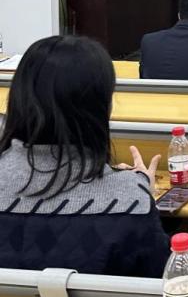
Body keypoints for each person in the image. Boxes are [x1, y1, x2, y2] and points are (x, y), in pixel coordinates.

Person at [0, 35, 168, 276]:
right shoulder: (129, 200)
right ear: (101, 107)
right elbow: (163, 280)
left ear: (18, 97)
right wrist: (142, 192)